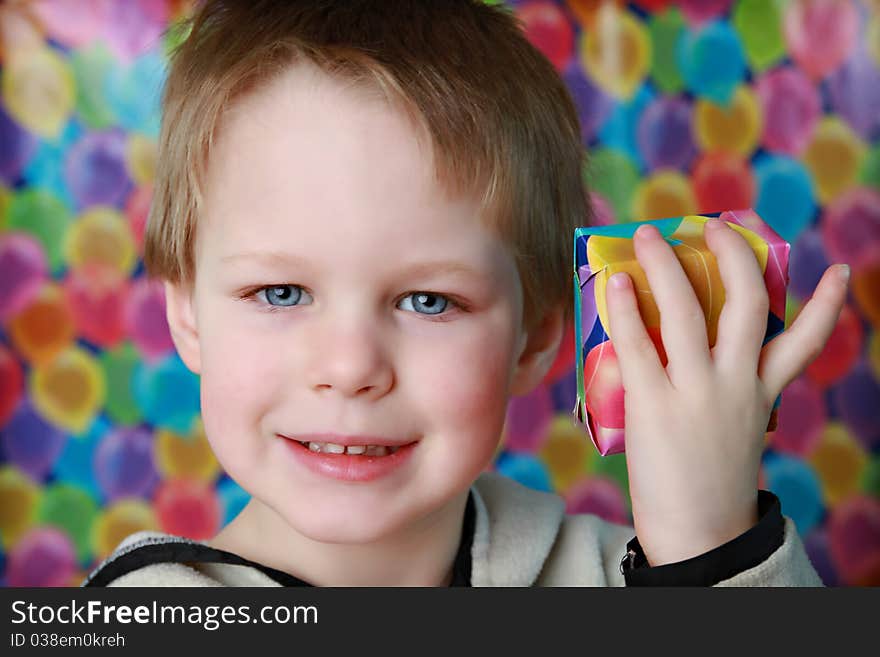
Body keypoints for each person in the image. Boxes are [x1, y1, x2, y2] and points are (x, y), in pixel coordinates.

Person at [83, 0, 847, 587]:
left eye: (428, 301)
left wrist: (711, 544)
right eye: (280, 291)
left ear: (540, 335)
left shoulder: (640, 573)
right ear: (186, 313)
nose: (350, 366)